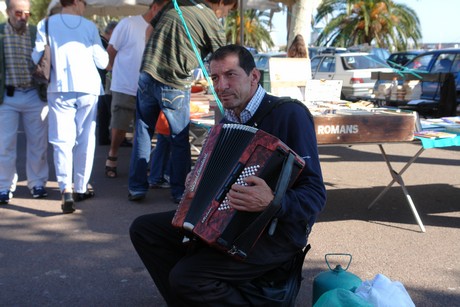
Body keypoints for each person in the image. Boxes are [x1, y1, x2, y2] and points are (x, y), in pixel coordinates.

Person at [129, 44, 326, 306]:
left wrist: (273, 202)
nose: (221, 85)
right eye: (215, 77)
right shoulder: (227, 120)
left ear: (254, 76)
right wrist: (196, 181)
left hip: (275, 233)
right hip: (227, 221)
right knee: (144, 230)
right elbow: (216, 177)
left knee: (187, 276)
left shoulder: (290, 114)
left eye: (231, 75)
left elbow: (315, 194)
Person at [128, 0, 238, 203]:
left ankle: (136, 187)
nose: (224, 15)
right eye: (227, 11)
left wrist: (153, 59)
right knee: (179, 137)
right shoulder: (211, 21)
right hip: (174, 81)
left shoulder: (177, 3)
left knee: (143, 132)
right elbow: (224, 60)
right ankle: (179, 191)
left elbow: (149, 30)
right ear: (222, 3)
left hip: (147, 73)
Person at [32, 0, 109, 213]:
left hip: (59, 86)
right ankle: (81, 187)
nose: (85, 6)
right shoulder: (89, 27)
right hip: (88, 86)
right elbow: (102, 62)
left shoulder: (45, 24)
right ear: (76, 2)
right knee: (85, 138)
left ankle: (65, 188)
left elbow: (36, 56)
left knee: (61, 140)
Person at [104, 2, 164, 179]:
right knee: (119, 125)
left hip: (149, 87)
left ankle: (140, 163)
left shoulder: (162, 27)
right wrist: (114, 72)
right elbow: (111, 51)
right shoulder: (128, 23)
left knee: (145, 128)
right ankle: (112, 154)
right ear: (154, 8)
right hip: (125, 84)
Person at [0, 0, 49, 204]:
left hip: (33, 94)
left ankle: (37, 182)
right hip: (7, 97)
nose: (23, 17)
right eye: (19, 13)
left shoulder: (35, 33)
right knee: (5, 144)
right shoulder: (1, 33)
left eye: (27, 13)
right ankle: (4, 186)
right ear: (9, 12)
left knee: (38, 143)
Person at [97, 20, 117, 146]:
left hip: (101, 81)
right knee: (112, 112)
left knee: (104, 113)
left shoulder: (99, 41)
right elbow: (106, 63)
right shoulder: (104, 43)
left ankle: (103, 138)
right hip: (106, 81)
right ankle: (117, 138)